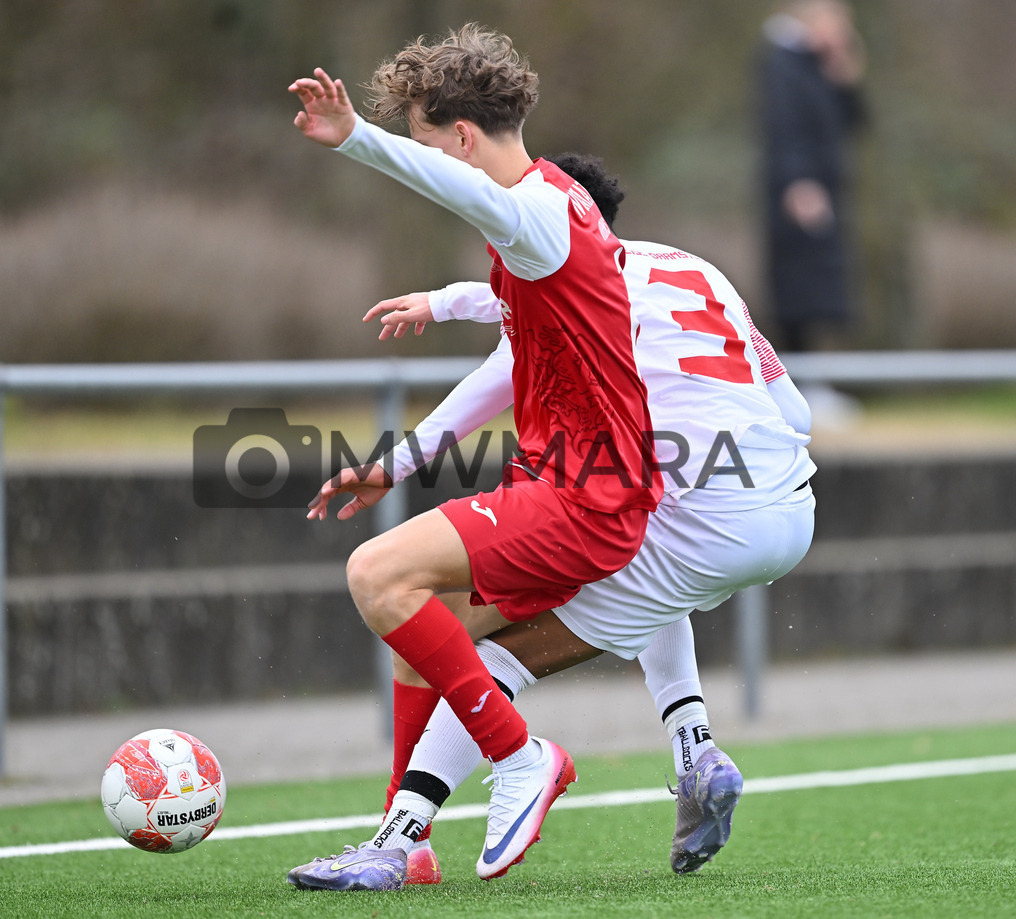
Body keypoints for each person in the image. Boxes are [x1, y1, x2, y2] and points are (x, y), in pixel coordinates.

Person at [288, 153, 816, 891]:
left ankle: (403, 835)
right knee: (647, 558)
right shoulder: (693, 267)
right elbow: (795, 411)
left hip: (700, 517)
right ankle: (696, 752)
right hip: (786, 499)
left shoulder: (577, 295)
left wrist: (401, 460)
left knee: (488, 649)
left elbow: (505, 361)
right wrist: (447, 302)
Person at [286, 25, 662, 890]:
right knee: (421, 639)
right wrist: (402, 458)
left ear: (460, 136)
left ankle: (520, 757)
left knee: (377, 576)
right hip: (572, 491)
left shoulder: (527, 209)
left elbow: (456, 192)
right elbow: (506, 344)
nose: (429, 159)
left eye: (426, 138)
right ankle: (402, 842)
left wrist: (356, 141)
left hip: (586, 502)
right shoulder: (552, 203)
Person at [757, 0, 867, 354]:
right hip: (798, 191)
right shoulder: (783, 63)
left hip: (825, 186)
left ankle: (816, 376)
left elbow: (856, 124)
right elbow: (784, 128)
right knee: (797, 289)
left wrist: (845, 78)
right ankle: (801, 378)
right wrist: (798, 182)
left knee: (822, 287)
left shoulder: (820, 66)